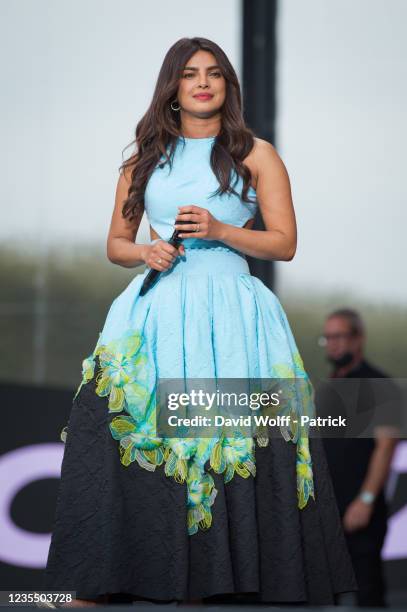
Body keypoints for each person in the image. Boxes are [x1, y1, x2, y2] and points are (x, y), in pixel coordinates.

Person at [42, 37, 358, 607]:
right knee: (134, 438)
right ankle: (115, 578)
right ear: (173, 87)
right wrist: (147, 253)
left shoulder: (255, 154)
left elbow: (284, 243)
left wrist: (220, 231)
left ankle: (227, 582)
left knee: (231, 447)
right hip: (155, 313)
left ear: (227, 85)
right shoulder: (143, 158)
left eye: (214, 73)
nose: (203, 82)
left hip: (234, 318)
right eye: (190, 74)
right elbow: (117, 242)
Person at [315, 308, 401, 607]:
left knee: (367, 593)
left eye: (339, 336)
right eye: (328, 338)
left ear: (358, 338)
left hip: (361, 511)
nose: (333, 343)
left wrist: (365, 500)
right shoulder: (328, 389)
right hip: (327, 510)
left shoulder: (379, 384)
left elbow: (386, 445)